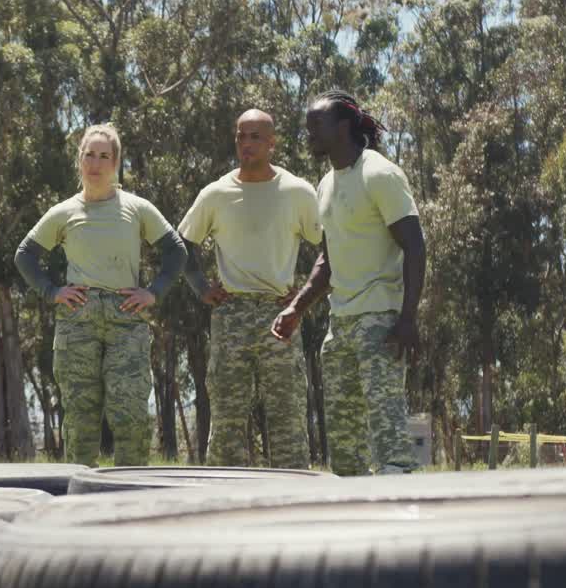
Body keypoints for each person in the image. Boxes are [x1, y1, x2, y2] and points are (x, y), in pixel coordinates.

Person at [271, 90, 427, 475]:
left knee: (388, 436)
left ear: (343, 126)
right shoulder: (326, 185)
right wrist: (297, 308)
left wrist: (407, 319)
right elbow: (328, 259)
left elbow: (415, 246)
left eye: (315, 125)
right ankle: (353, 510)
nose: (308, 133)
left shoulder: (379, 174)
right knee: (343, 449)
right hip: (339, 325)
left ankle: (403, 509)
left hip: (380, 319)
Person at [15, 124, 187, 466]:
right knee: (80, 419)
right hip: (78, 322)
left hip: (127, 321)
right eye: (89, 155)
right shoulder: (64, 211)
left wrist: (153, 293)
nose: (95, 163)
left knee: (131, 412)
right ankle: (78, 500)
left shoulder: (136, 208)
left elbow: (176, 251)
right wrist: (53, 291)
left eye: (104, 156)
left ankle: (131, 497)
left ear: (116, 163)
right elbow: (25, 255)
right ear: (79, 160)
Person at [178, 109, 320, 468]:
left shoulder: (298, 192)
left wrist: (304, 296)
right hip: (231, 314)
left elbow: (330, 246)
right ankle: (224, 502)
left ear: (273, 143)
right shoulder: (217, 193)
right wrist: (200, 287)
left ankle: (294, 501)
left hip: (281, 315)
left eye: (256, 136)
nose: (247, 143)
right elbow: (182, 244)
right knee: (227, 416)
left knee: (287, 413)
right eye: (241, 136)